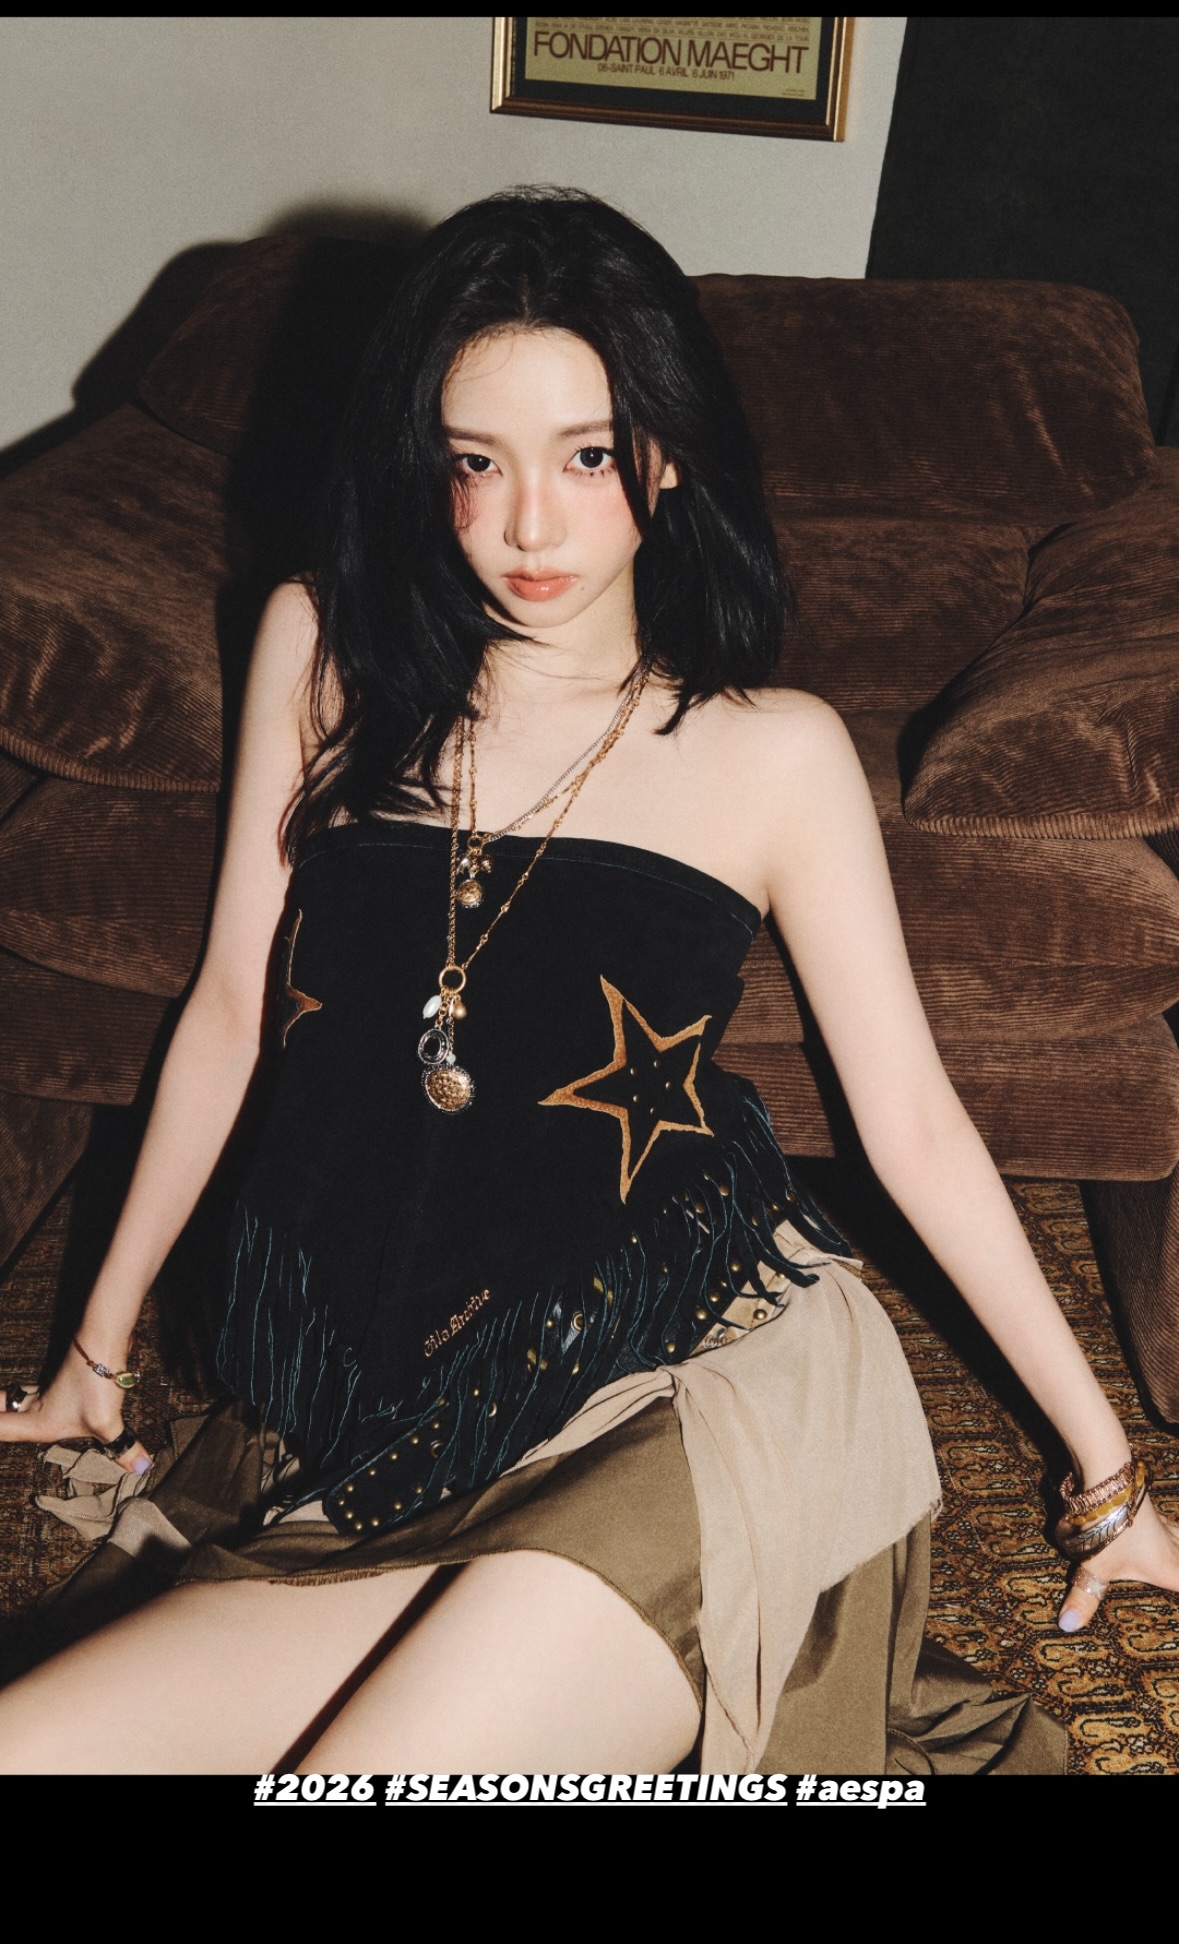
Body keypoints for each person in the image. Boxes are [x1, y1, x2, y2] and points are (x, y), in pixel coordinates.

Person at [0, 189, 1176, 1777]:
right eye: (475, 462)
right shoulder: (319, 652)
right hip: (388, 1417)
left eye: (587, 455)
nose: (529, 527)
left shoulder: (773, 753)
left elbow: (914, 1126)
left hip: (681, 1388)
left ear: (666, 457)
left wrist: (1109, 1478)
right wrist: (96, 1353)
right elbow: (227, 1012)